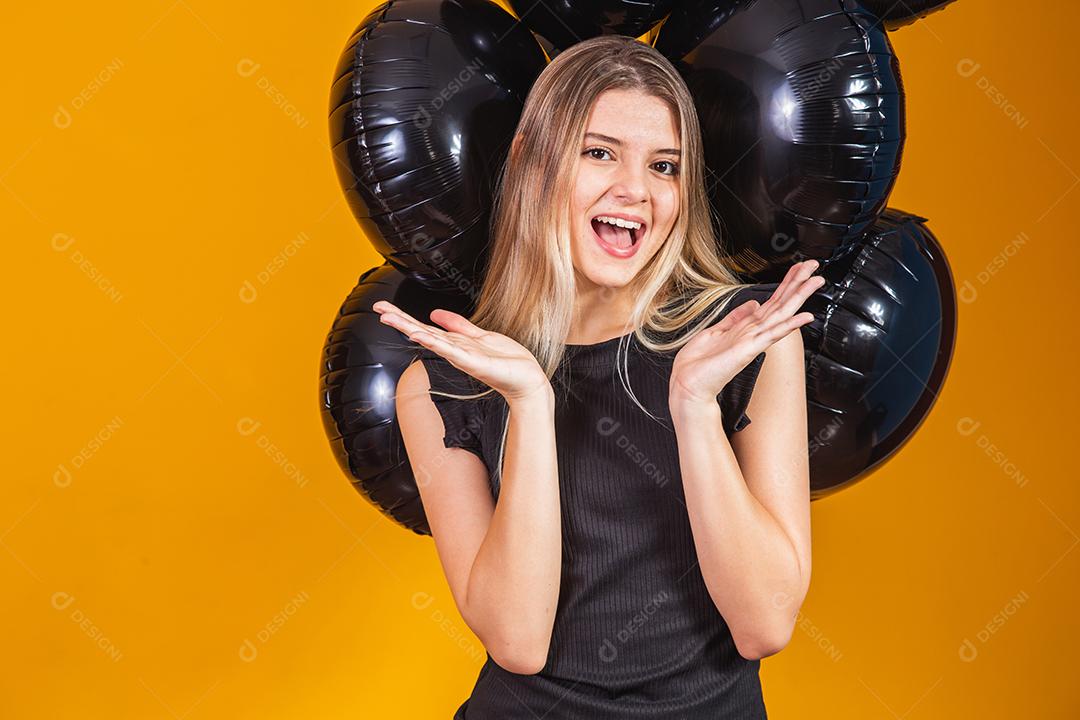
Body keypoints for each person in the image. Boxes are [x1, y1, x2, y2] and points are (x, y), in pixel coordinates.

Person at [373, 33, 822, 719]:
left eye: (665, 166)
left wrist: (695, 409)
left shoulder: (745, 338)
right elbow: (518, 641)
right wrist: (528, 402)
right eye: (599, 152)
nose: (635, 191)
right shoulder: (443, 387)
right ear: (530, 163)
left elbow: (765, 626)